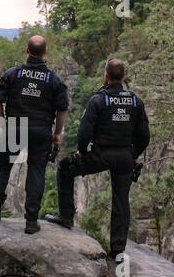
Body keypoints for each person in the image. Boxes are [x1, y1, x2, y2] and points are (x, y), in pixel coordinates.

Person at [45, 59, 150, 261]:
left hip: (101, 154)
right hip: (125, 157)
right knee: (121, 200)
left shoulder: (98, 100)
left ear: (106, 75)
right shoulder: (136, 101)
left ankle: (66, 216)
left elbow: (85, 133)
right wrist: (132, 155)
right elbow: (144, 136)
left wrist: (83, 152)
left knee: (65, 168)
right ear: (123, 76)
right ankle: (118, 249)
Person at [0, 35, 69, 234]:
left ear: (27, 51)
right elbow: (62, 109)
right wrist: (57, 134)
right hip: (41, 130)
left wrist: (3, 123)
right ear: (45, 53)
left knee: (3, 166)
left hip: (15, 126)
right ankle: (30, 221)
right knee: (36, 171)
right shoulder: (53, 79)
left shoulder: (13, 74)